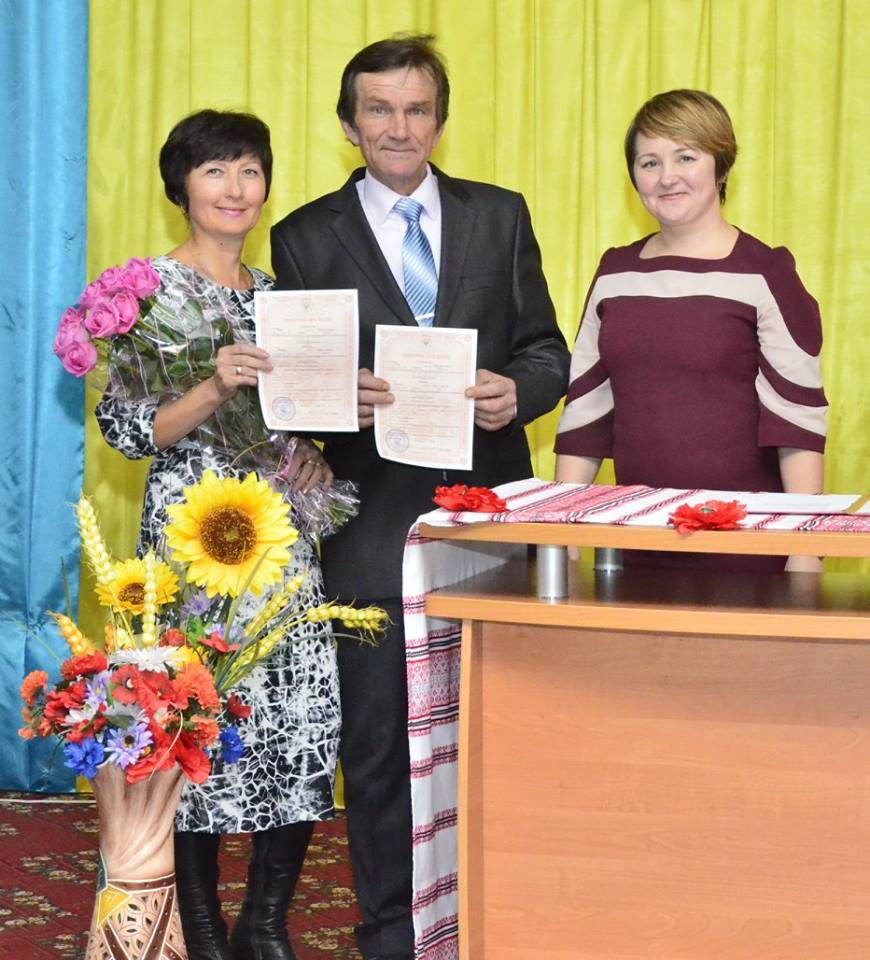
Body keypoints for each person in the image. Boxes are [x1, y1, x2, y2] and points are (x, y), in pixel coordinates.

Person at [270, 34, 570, 960]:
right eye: (379, 109)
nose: (399, 128)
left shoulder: (500, 214)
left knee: (504, 722)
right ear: (348, 123)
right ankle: (390, 936)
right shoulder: (304, 235)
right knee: (378, 737)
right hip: (369, 511)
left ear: (440, 120)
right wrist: (334, 399)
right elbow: (288, 390)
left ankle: (502, 920)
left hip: (490, 508)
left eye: (417, 109)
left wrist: (519, 391)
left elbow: (547, 350)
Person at [95, 110, 340, 960]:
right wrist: (211, 386)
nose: (236, 189)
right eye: (215, 171)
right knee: (194, 720)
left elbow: (298, 418)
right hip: (190, 538)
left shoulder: (283, 299)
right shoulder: (145, 295)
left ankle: (264, 923)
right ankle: (200, 926)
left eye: (249, 170)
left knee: (301, 715)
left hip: (280, 537)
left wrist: (314, 449)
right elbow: (128, 431)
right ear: (181, 187)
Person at [555, 89, 827, 573]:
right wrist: (563, 538)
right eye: (650, 162)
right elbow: (585, 415)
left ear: (721, 167)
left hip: (749, 551)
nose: (667, 177)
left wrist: (804, 553)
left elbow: (798, 423)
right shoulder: (614, 272)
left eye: (686, 157)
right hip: (632, 547)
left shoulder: (766, 271)